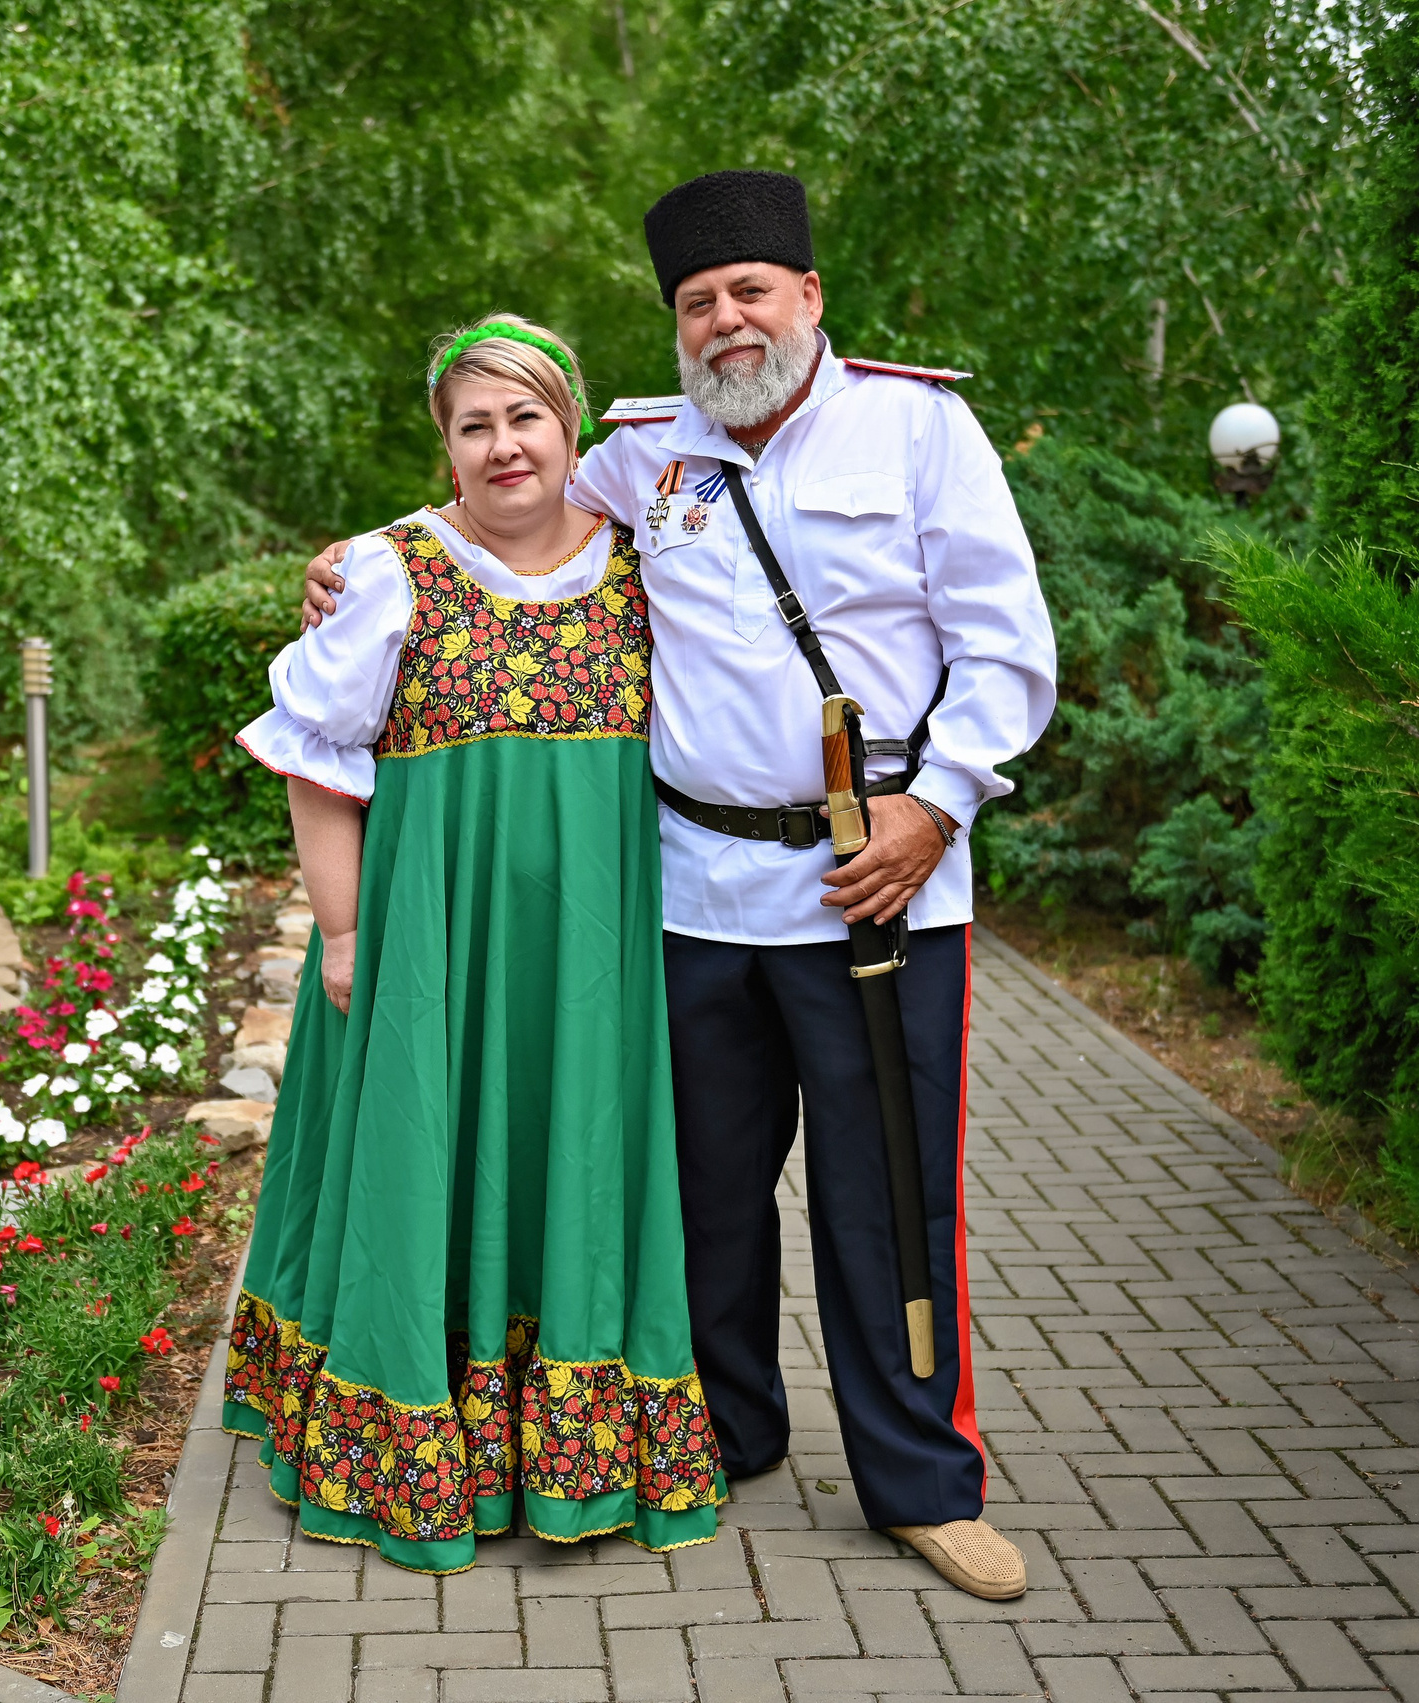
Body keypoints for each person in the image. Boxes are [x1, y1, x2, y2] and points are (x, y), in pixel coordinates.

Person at [302, 172, 1057, 1600]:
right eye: (699, 303)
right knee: (700, 1191)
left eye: (751, 292)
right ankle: (723, 1432)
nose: (726, 322)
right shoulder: (640, 450)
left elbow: (1009, 642)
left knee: (885, 1198)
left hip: (874, 886)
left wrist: (936, 805)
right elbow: (493, 493)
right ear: (676, 326)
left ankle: (918, 1480)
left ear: (809, 300)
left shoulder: (919, 430)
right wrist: (351, 565)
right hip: (693, 893)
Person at [223, 314, 725, 1577]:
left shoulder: (645, 562)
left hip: (590, 961)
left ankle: (572, 1447)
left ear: (571, 426)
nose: (504, 446)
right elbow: (318, 759)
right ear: (443, 447)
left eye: (526, 417)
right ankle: (411, 1442)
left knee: (576, 1161)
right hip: (433, 947)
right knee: (422, 1165)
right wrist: (341, 930)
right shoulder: (392, 571)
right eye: (474, 424)